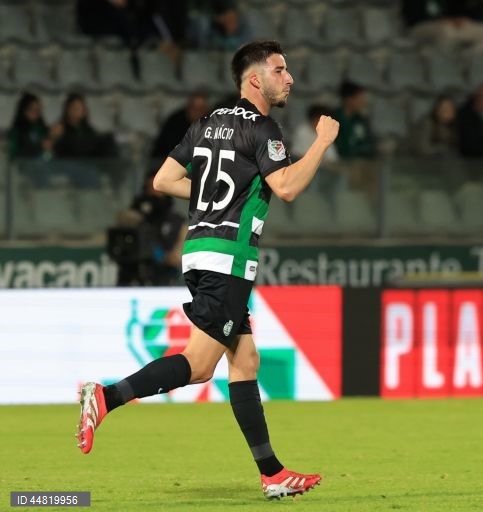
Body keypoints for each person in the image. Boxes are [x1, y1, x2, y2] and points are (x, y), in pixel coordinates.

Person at [76, 40, 340, 500]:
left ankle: (272, 473)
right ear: (255, 79)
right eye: (280, 70)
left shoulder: (206, 124)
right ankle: (106, 396)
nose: (289, 78)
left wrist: (215, 195)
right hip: (229, 260)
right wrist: (320, 142)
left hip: (199, 250)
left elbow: (162, 180)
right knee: (199, 367)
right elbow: (288, 187)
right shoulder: (263, 130)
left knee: (246, 360)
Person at [151, 91, 210, 158]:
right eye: (194, 108)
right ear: (188, 108)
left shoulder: (211, 123)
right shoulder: (175, 122)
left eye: (201, 109)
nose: (197, 113)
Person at [7, 92, 52, 160]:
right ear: (24, 110)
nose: (36, 113)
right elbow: (13, 154)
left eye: (38, 110)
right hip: (24, 167)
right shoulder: (17, 130)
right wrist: (39, 146)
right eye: (32, 109)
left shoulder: (42, 128)